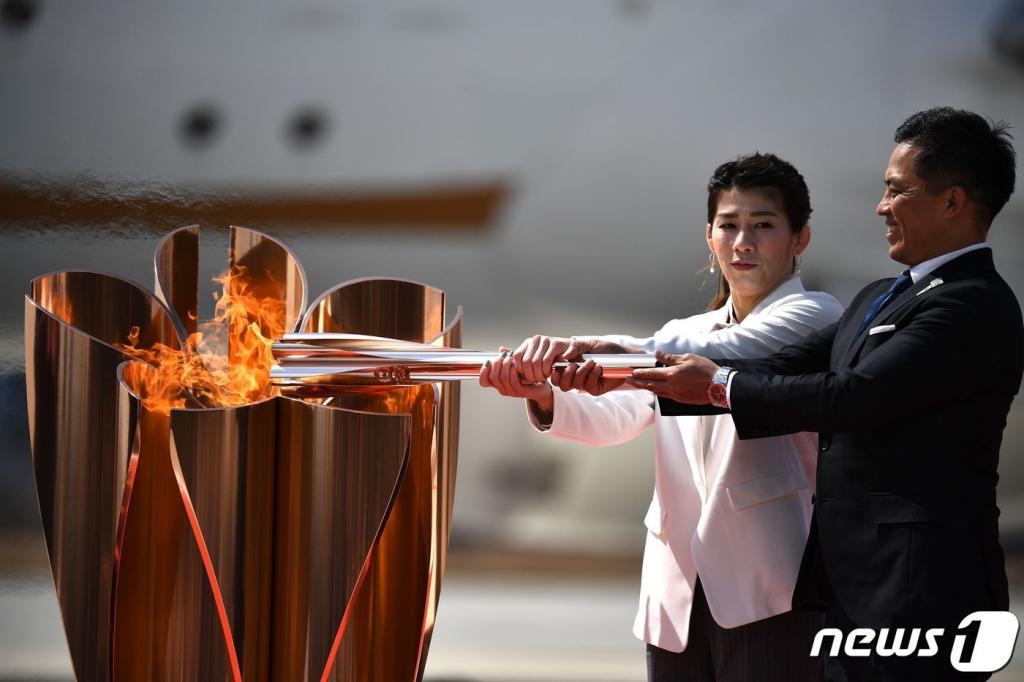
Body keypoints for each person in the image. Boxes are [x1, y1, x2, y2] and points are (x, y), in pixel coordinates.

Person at [632, 108, 1022, 681]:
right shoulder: (881, 296)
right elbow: (777, 367)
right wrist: (640, 375)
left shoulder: (971, 303)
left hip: (924, 587)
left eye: (897, 190)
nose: (882, 207)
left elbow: (855, 397)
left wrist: (713, 384)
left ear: (952, 202)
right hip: (851, 590)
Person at [480, 153, 844, 681]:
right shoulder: (682, 332)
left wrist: (605, 350)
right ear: (709, 237)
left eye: (763, 225)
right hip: (677, 587)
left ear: (800, 238)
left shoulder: (816, 315)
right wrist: (542, 394)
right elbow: (618, 418)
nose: (742, 242)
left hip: (773, 583)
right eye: (728, 225)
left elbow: (734, 351)